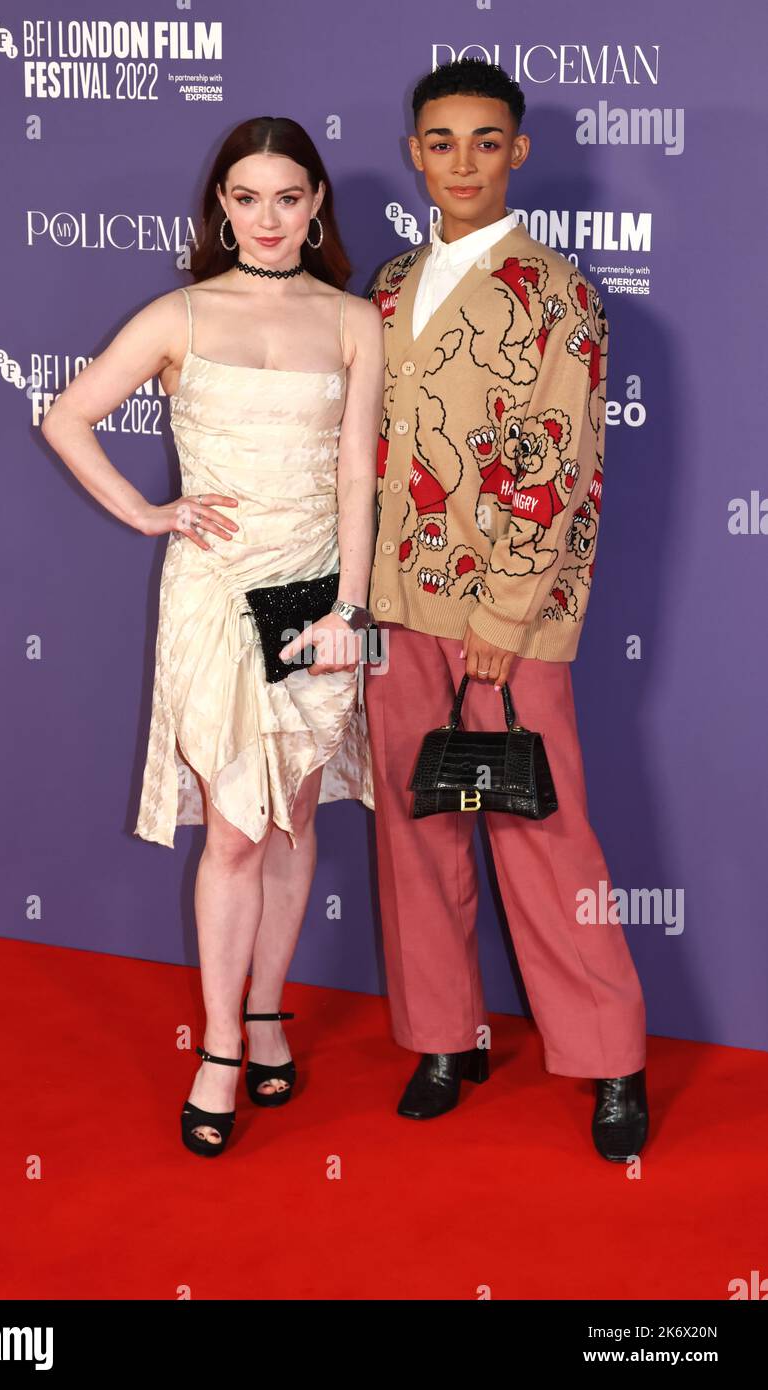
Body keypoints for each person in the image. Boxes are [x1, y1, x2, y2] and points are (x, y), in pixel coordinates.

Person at [41, 116, 382, 1157]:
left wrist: (351, 613)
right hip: (213, 597)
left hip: (320, 601)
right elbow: (65, 416)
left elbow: (357, 477)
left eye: (288, 197)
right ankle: (223, 1044)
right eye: (248, 198)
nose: (269, 218)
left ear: (315, 203)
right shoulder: (178, 314)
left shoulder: (354, 320)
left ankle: (269, 1006)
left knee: (291, 818)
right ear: (220, 207)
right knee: (234, 823)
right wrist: (149, 513)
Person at [364, 58, 649, 1161]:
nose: (462, 162)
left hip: (508, 613)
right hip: (394, 600)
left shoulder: (557, 291)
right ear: (414, 154)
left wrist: (506, 608)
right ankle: (445, 1037)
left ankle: (609, 1054)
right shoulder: (385, 287)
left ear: (516, 152)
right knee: (415, 822)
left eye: (485, 141)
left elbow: (560, 459)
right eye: (441, 141)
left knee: (542, 828)